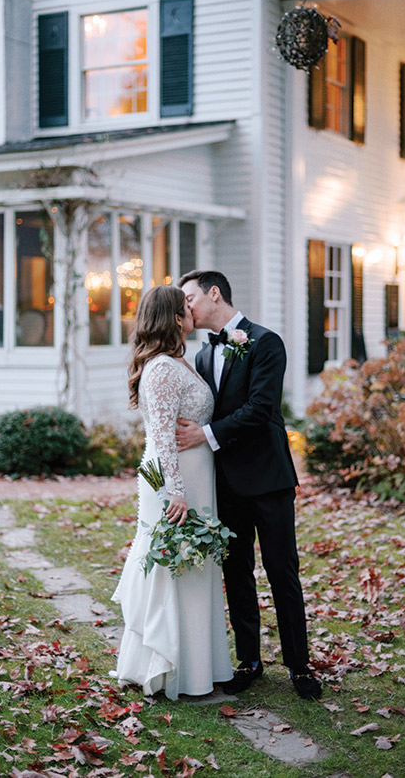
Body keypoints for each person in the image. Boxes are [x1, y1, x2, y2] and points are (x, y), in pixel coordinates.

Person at [176, 270, 321, 701]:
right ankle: (249, 661)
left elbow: (260, 409)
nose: (185, 307)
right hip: (226, 484)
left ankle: (299, 666)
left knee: (282, 572)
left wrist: (205, 435)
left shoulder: (266, 342)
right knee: (236, 574)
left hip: (269, 479)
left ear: (214, 293)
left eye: (189, 298)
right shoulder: (201, 357)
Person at [110, 285, 233, 700]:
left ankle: (202, 668)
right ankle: (171, 670)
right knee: (175, 569)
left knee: (195, 570)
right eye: (186, 306)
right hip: (173, 482)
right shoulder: (162, 368)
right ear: (175, 318)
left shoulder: (181, 360)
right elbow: (162, 439)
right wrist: (175, 494)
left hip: (196, 478)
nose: (193, 309)